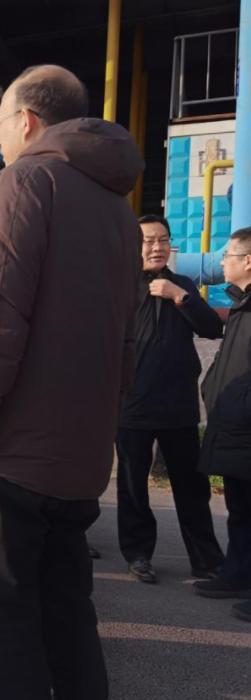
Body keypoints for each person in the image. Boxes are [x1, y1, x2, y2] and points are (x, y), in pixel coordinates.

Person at [0, 65, 143, 699]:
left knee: (5, 624)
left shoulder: (25, 181)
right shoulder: (117, 208)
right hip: (77, 461)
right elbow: (126, 339)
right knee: (68, 619)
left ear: (26, 121)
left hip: (8, 458)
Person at [117, 214, 224, 584]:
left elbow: (212, 328)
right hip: (132, 404)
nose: (157, 247)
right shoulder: (120, 287)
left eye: (163, 240)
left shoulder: (183, 285)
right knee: (132, 486)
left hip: (178, 404)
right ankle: (138, 555)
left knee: (192, 488)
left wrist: (180, 297)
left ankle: (206, 560)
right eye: (149, 241)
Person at [195, 227, 251, 623]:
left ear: (248, 261)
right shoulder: (242, 304)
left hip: (245, 424)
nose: (221, 261)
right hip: (234, 425)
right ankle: (237, 575)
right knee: (240, 509)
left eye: (228, 254)